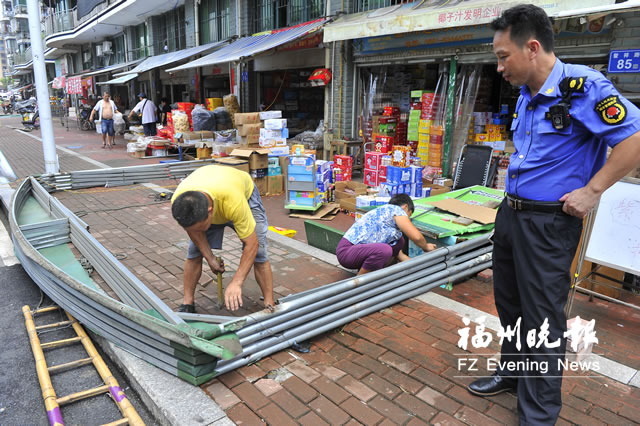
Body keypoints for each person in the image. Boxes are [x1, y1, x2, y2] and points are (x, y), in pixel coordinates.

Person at [466, 5, 640, 424]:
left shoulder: (584, 87)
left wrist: (592, 191)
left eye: (503, 56)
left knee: (543, 315)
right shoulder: (526, 95)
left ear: (532, 47)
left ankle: (539, 413)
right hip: (512, 217)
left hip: (549, 224)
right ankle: (512, 372)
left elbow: (633, 139)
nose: (499, 66)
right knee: (509, 303)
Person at [171, 165, 275, 313]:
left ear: (210, 212)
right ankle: (187, 302)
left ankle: (269, 303)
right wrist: (210, 257)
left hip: (243, 194)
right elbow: (193, 232)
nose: (198, 232)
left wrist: (237, 282)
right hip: (214, 190)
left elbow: (252, 244)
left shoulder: (233, 201)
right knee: (194, 252)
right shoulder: (180, 203)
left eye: (201, 228)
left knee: (259, 253)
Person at [336, 194, 437, 275]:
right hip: (347, 251)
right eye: (409, 215)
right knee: (384, 250)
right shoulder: (395, 210)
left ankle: (374, 274)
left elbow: (400, 255)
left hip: (354, 253)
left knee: (399, 241)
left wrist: (420, 270)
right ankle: (359, 284)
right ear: (405, 207)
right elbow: (417, 237)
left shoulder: (386, 218)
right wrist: (426, 247)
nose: (407, 219)